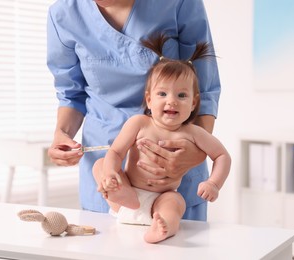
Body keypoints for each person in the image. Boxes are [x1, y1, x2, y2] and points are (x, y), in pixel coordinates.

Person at [46, 0, 221, 221]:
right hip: (107, 174)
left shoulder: (179, 3)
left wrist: (194, 153)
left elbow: (204, 90)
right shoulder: (63, 14)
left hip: (173, 170)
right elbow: (71, 94)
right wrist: (62, 134)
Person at [93, 34, 231, 243]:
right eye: (163, 94)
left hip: (159, 198)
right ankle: (121, 195)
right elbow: (116, 152)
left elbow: (222, 156)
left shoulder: (193, 133)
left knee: (175, 202)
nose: (172, 101)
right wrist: (111, 174)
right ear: (149, 99)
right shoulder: (139, 123)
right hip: (128, 191)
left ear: (194, 103)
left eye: (182, 95)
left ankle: (162, 228)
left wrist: (214, 183)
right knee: (100, 164)